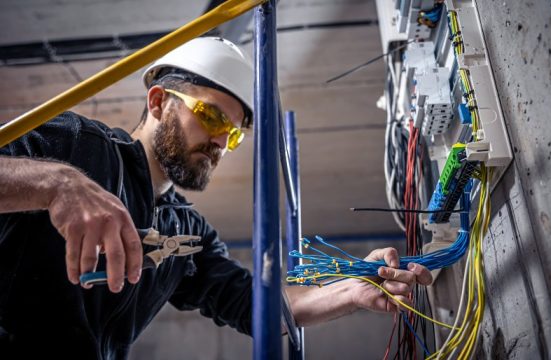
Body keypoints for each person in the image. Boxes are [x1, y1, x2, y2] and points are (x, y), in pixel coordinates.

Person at [0, 37, 432, 359]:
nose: (221, 143)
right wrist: (56, 183)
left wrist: (352, 291)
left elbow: (253, 303)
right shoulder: (77, 146)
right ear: (158, 103)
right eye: (210, 116)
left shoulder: (187, 233)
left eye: (234, 134)